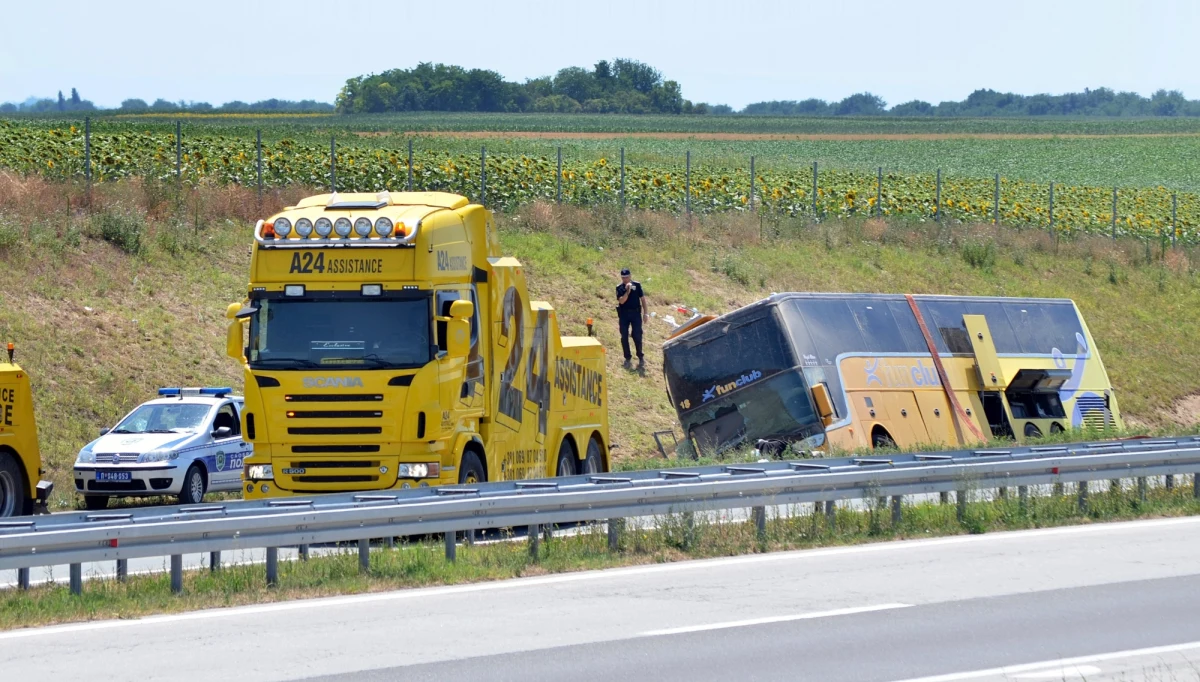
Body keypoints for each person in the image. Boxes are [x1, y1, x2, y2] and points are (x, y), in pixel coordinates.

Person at [615, 268, 648, 369]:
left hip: (635, 314)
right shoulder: (619, 287)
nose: (625, 279)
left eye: (627, 277)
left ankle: (640, 356)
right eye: (623, 277)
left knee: (637, 335)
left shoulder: (637, 285)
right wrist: (627, 291)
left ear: (630, 276)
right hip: (624, 314)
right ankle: (627, 357)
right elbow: (621, 301)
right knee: (624, 335)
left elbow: (642, 299)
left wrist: (646, 313)